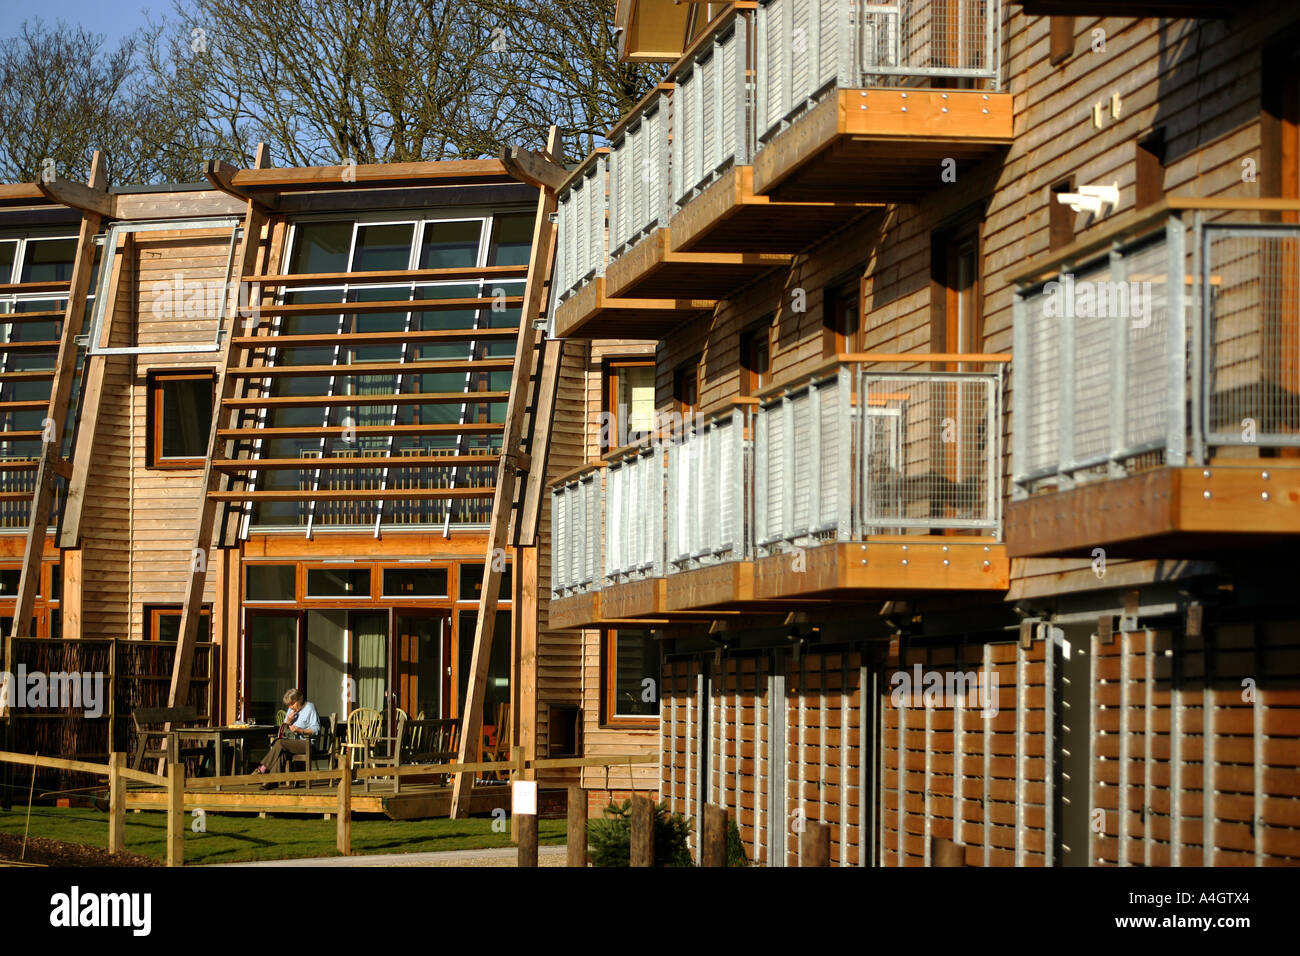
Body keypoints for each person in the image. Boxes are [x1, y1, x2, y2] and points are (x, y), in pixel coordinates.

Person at [252, 689, 320, 788]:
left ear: (300, 699)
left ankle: (262, 769)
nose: (290, 707)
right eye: (288, 705)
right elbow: (283, 729)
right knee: (282, 753)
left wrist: (301, 730)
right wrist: (288, 721)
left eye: (292, 704)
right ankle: (272, 782)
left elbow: (316, 729)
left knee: (280, 743)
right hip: (293, 743)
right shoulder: (291, 710)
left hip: (308, 743)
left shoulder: (310, 707)